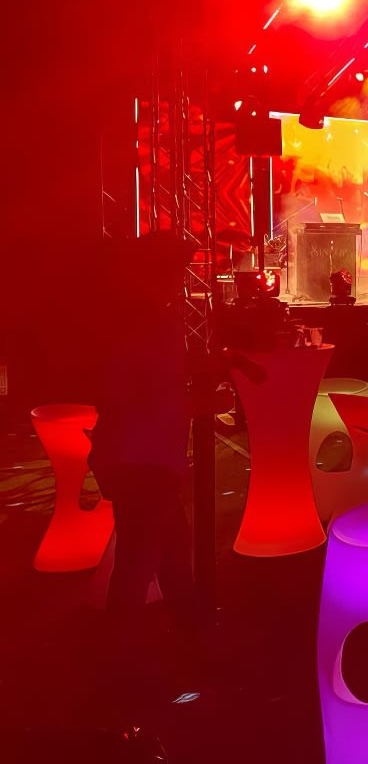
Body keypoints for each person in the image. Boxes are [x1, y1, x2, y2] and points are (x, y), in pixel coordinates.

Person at [87, 232, 202, 704]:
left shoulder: (131, 317)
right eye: (176, 270)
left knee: (170, 555)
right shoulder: (147, 322)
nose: (180, 279)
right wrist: (190, 400)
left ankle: (192, 644)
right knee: (139, 564)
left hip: (140, 457)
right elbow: (145, 392)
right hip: (145, 459)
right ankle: (121, 671)